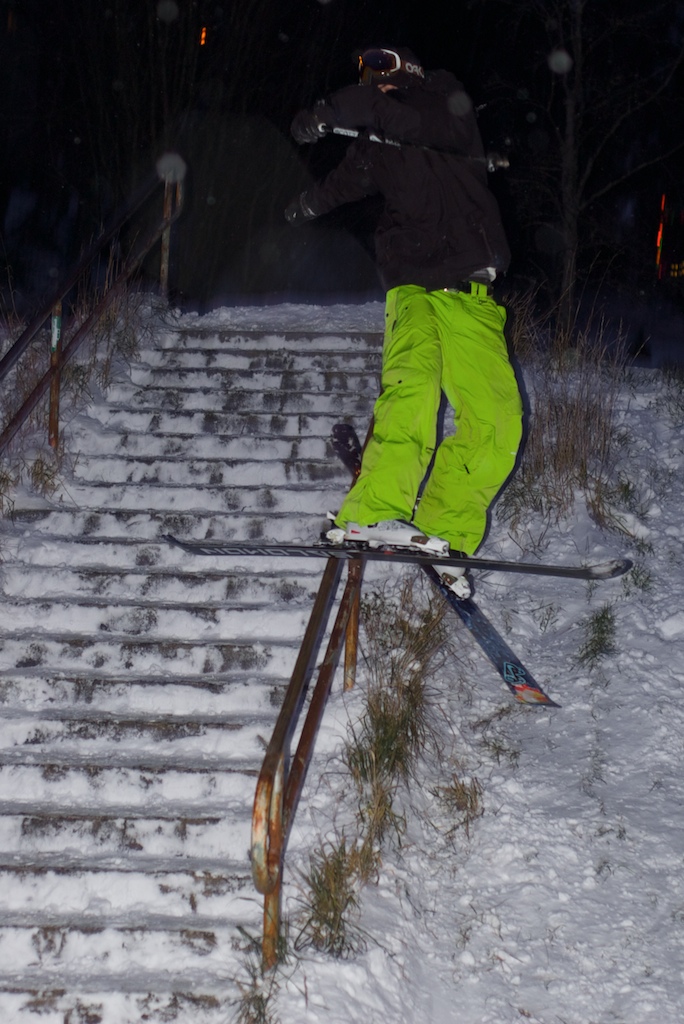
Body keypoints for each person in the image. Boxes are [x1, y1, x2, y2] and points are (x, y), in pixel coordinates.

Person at [285, 47, 523, 598]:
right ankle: (373, 511)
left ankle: (446, 530)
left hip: (471, 290)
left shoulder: (446, 105)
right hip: (413, 282)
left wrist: (327, 112)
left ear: (409, 72)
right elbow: (344, 182)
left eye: (383, 75)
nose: (377, 85)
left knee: (498, 424)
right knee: (412, 391)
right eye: (369, 79)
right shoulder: (380, 141)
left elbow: (390, 115)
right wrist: (304, 206)